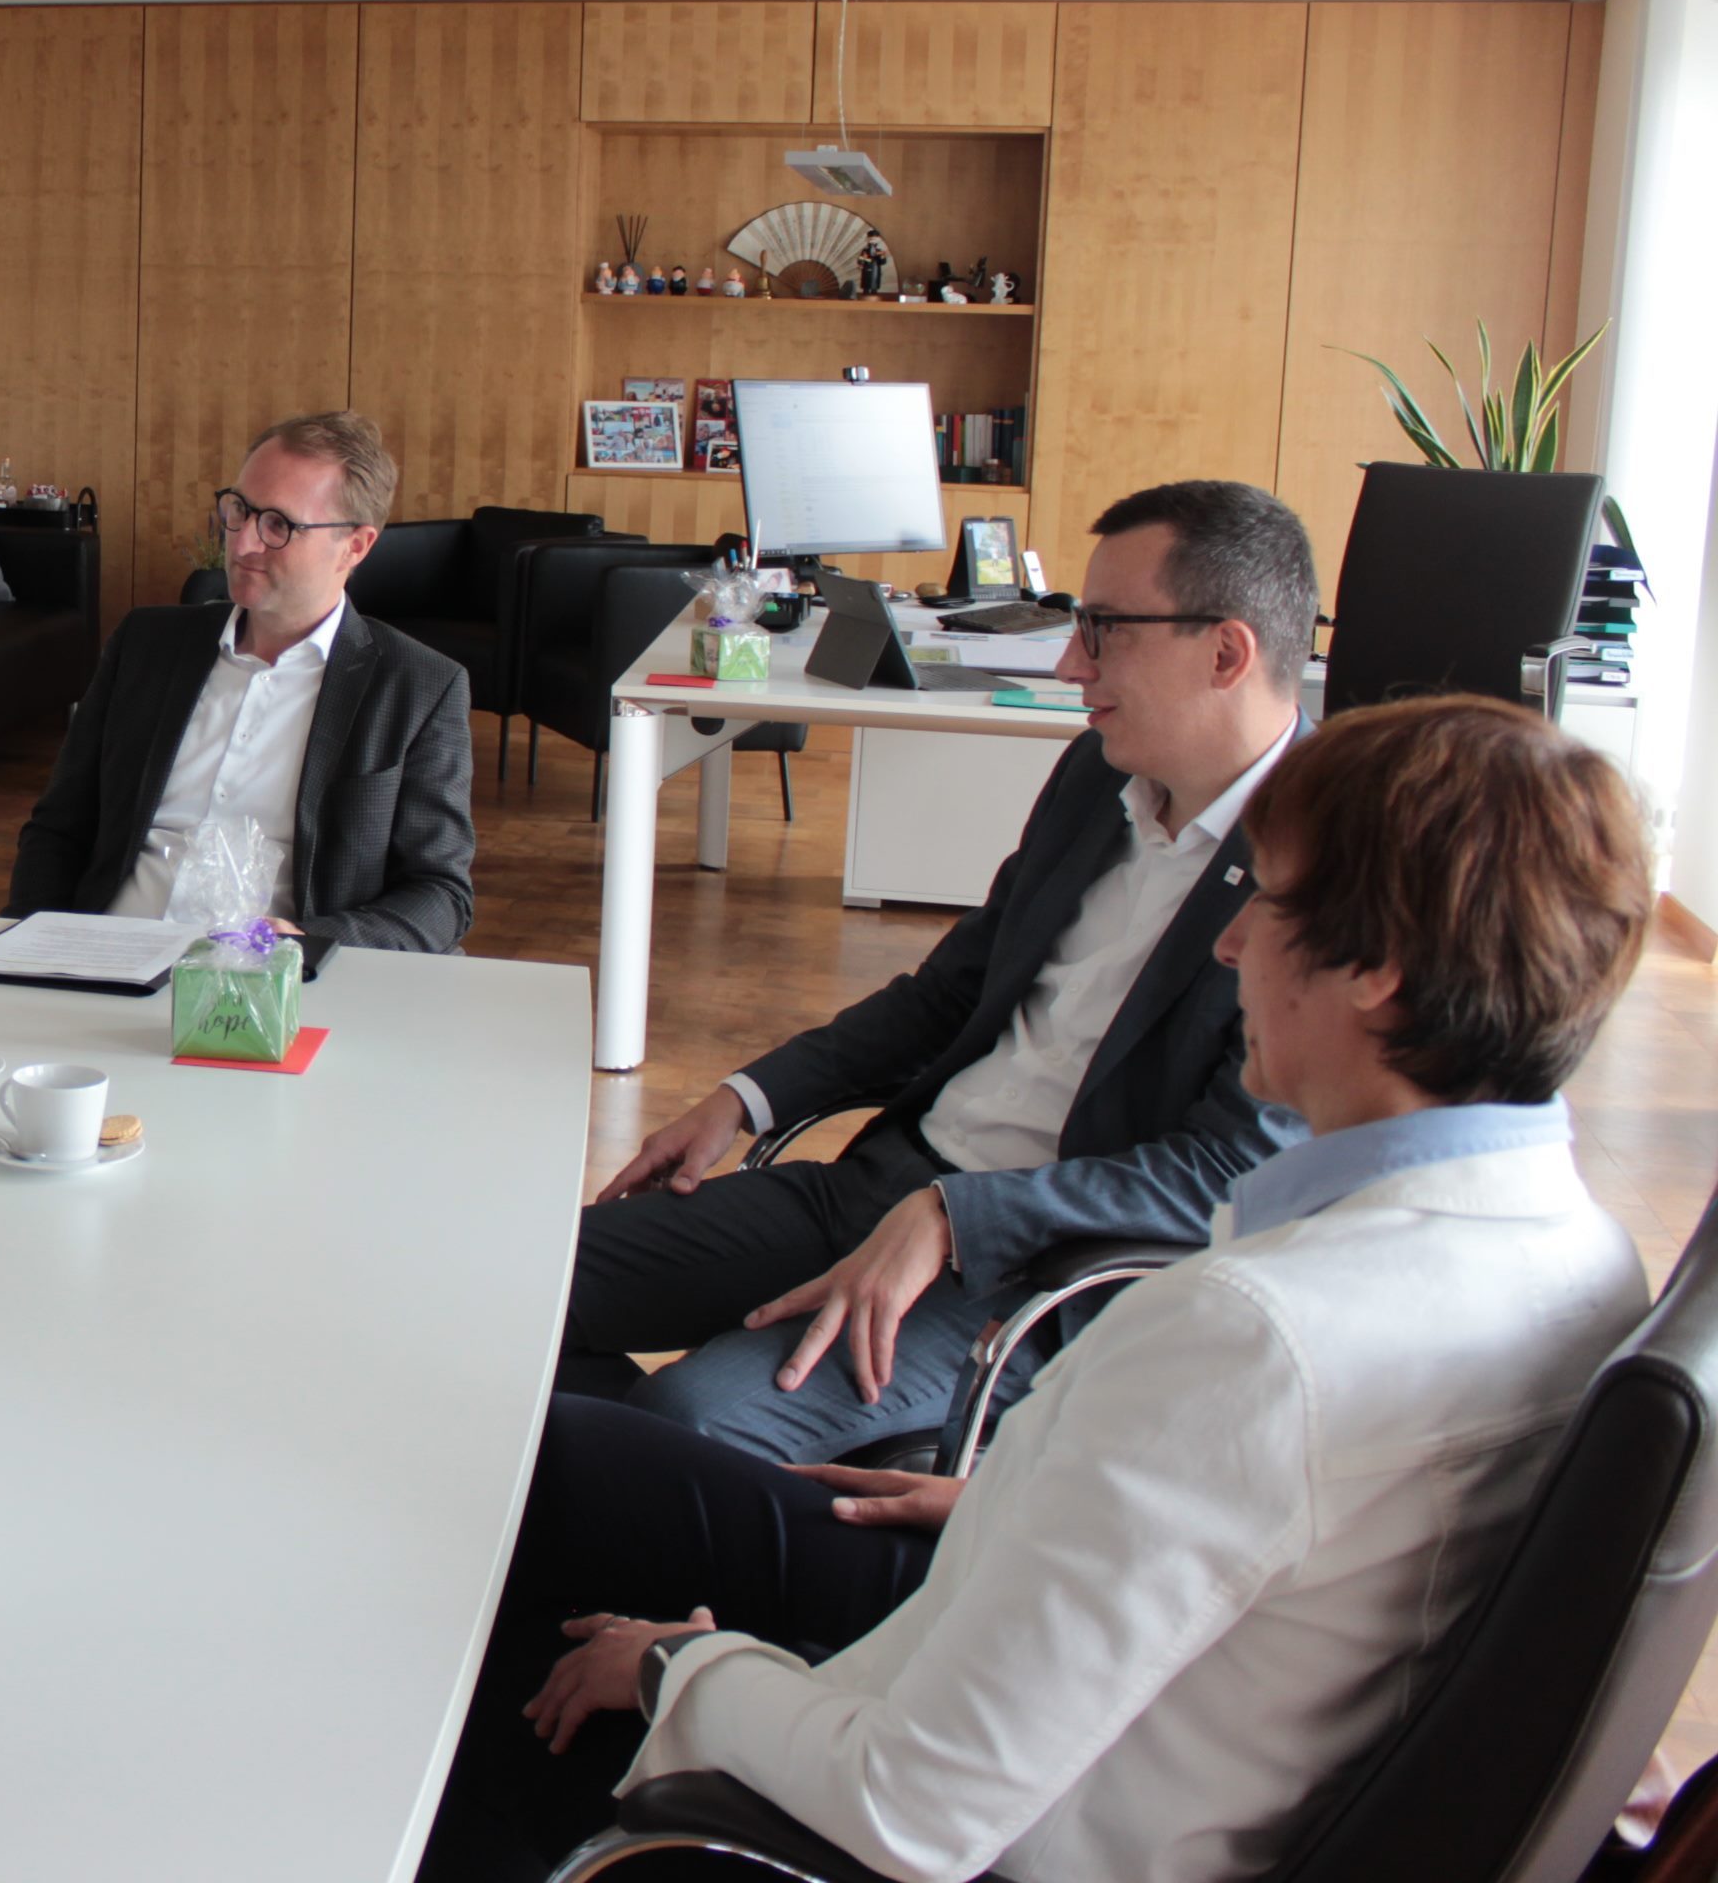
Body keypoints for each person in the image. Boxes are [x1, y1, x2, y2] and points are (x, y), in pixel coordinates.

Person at [425, 693, 1655, 1883]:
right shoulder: (1584, 1256)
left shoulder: (1251, 1338)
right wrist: (1013, 1497)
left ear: (1376, 970)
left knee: (513, 1641)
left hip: (1000, 1810)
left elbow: (912, 1803)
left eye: (1265, 907)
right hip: (1086, 1657)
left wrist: (678, 1673)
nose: (1229, 943)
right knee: (557, 1464)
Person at [562, 480, 1316, 1461]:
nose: (1069, 661)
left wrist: (962, 1220)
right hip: (880, 1188)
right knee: (526, 1280)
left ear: (1226, 652)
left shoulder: (1329, 861)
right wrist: (747, 1099)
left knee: (687, 1426)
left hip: (1025, 1265)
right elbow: (951, 992)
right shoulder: (1099, 777)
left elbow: (1231, 1169)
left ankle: (665, 1548)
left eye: (1104, 631)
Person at [5, 410, 474, 956]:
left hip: (268, 992)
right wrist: (24, 945)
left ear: (356, 546)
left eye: (279, 524)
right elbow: (59, 827)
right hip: (106, 957)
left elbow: (441, 894)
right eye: (241, 510)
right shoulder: (146, 644)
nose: (244, 541)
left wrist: (313, 943)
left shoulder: (418, 687)